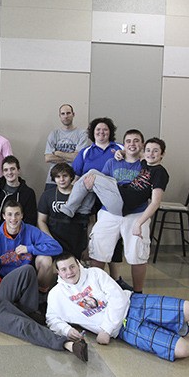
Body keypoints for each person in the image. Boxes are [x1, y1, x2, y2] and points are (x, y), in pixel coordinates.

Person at [47, 252, 189, 361]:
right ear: (58, 272)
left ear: (78, 264)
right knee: (184, 350)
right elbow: (52, 319)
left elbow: (118, 299)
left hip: (134, 305)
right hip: (125, 329)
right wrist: (67, 330)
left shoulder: (94, 274)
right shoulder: (57, 295)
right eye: (63, 270)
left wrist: (105, 330)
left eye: (72, 267)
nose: (69, 272)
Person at [90, 129, 151, 293]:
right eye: (129, 141)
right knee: (98, 250)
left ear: (142, 144)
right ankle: (96, 291)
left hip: (137, 213)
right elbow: (102, 184)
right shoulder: (112, 162)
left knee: (137, 254)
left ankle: (138, 293)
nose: (132, 144)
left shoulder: (146, 165)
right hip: (110, 212)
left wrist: (144, 157)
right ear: (123, 145)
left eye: (136, 140)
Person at [60, 138, 169, 227]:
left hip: (122, 203)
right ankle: (84, 210)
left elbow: (155, 203)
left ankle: (69, 208)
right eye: (148, 150)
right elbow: (137, 153)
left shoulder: (160, 172)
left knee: (91, 176)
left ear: (162, 154)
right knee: (92, 172)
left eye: (156, 151)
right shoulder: (146, 164)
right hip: (120, 194)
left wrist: (139, 223)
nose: (151, 153)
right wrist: (121, 152)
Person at [72, 117, 125, 284]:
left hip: (111, 199)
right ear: (92, 133)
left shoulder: (119, 149)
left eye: (105, 130)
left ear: (110, 132)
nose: (101, 133)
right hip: (90, 197)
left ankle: (116, 278)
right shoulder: (86, 152)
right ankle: (92, 275)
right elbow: (77, 176)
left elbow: (133, 161)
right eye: (98, 130)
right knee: (91, 230)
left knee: (113, 236)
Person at [0, 200, 62, 291]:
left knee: (46, 259)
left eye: (17, 214)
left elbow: (57, 247)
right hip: (6, 278)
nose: (13, 218)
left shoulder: (31, 231)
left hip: (29, 277)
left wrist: (30, 249)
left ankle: (40, 293)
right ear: (4, 216)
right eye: (9, 214)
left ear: (22, 215)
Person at [37, 163, 89, 260]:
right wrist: (50, 240)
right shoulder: (47, 195)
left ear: (71, 177)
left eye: (65, 176)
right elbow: (41, 220)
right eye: (58, 177)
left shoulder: (82, 194)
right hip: (55, 240)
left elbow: (91, 222)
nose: (61, 179)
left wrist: (88, 246)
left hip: (77, 242)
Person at [44, 104, 90, 190]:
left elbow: (78, 157)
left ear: (73, 114)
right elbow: (48, 158)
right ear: (60, 116)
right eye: (63, 114)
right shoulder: (54, 134)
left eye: (68, 113)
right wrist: (70, 156)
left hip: (73, 179)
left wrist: (58, 153)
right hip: (53, 179)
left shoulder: (82, 134)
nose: (66, 116)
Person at [0, 155, 38, 226]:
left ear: (18, 171)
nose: (9, 172)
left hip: (16, 234)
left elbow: (30, 220)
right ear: (3, 173)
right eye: (6, 170)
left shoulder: (28, 193)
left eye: (12, 169)